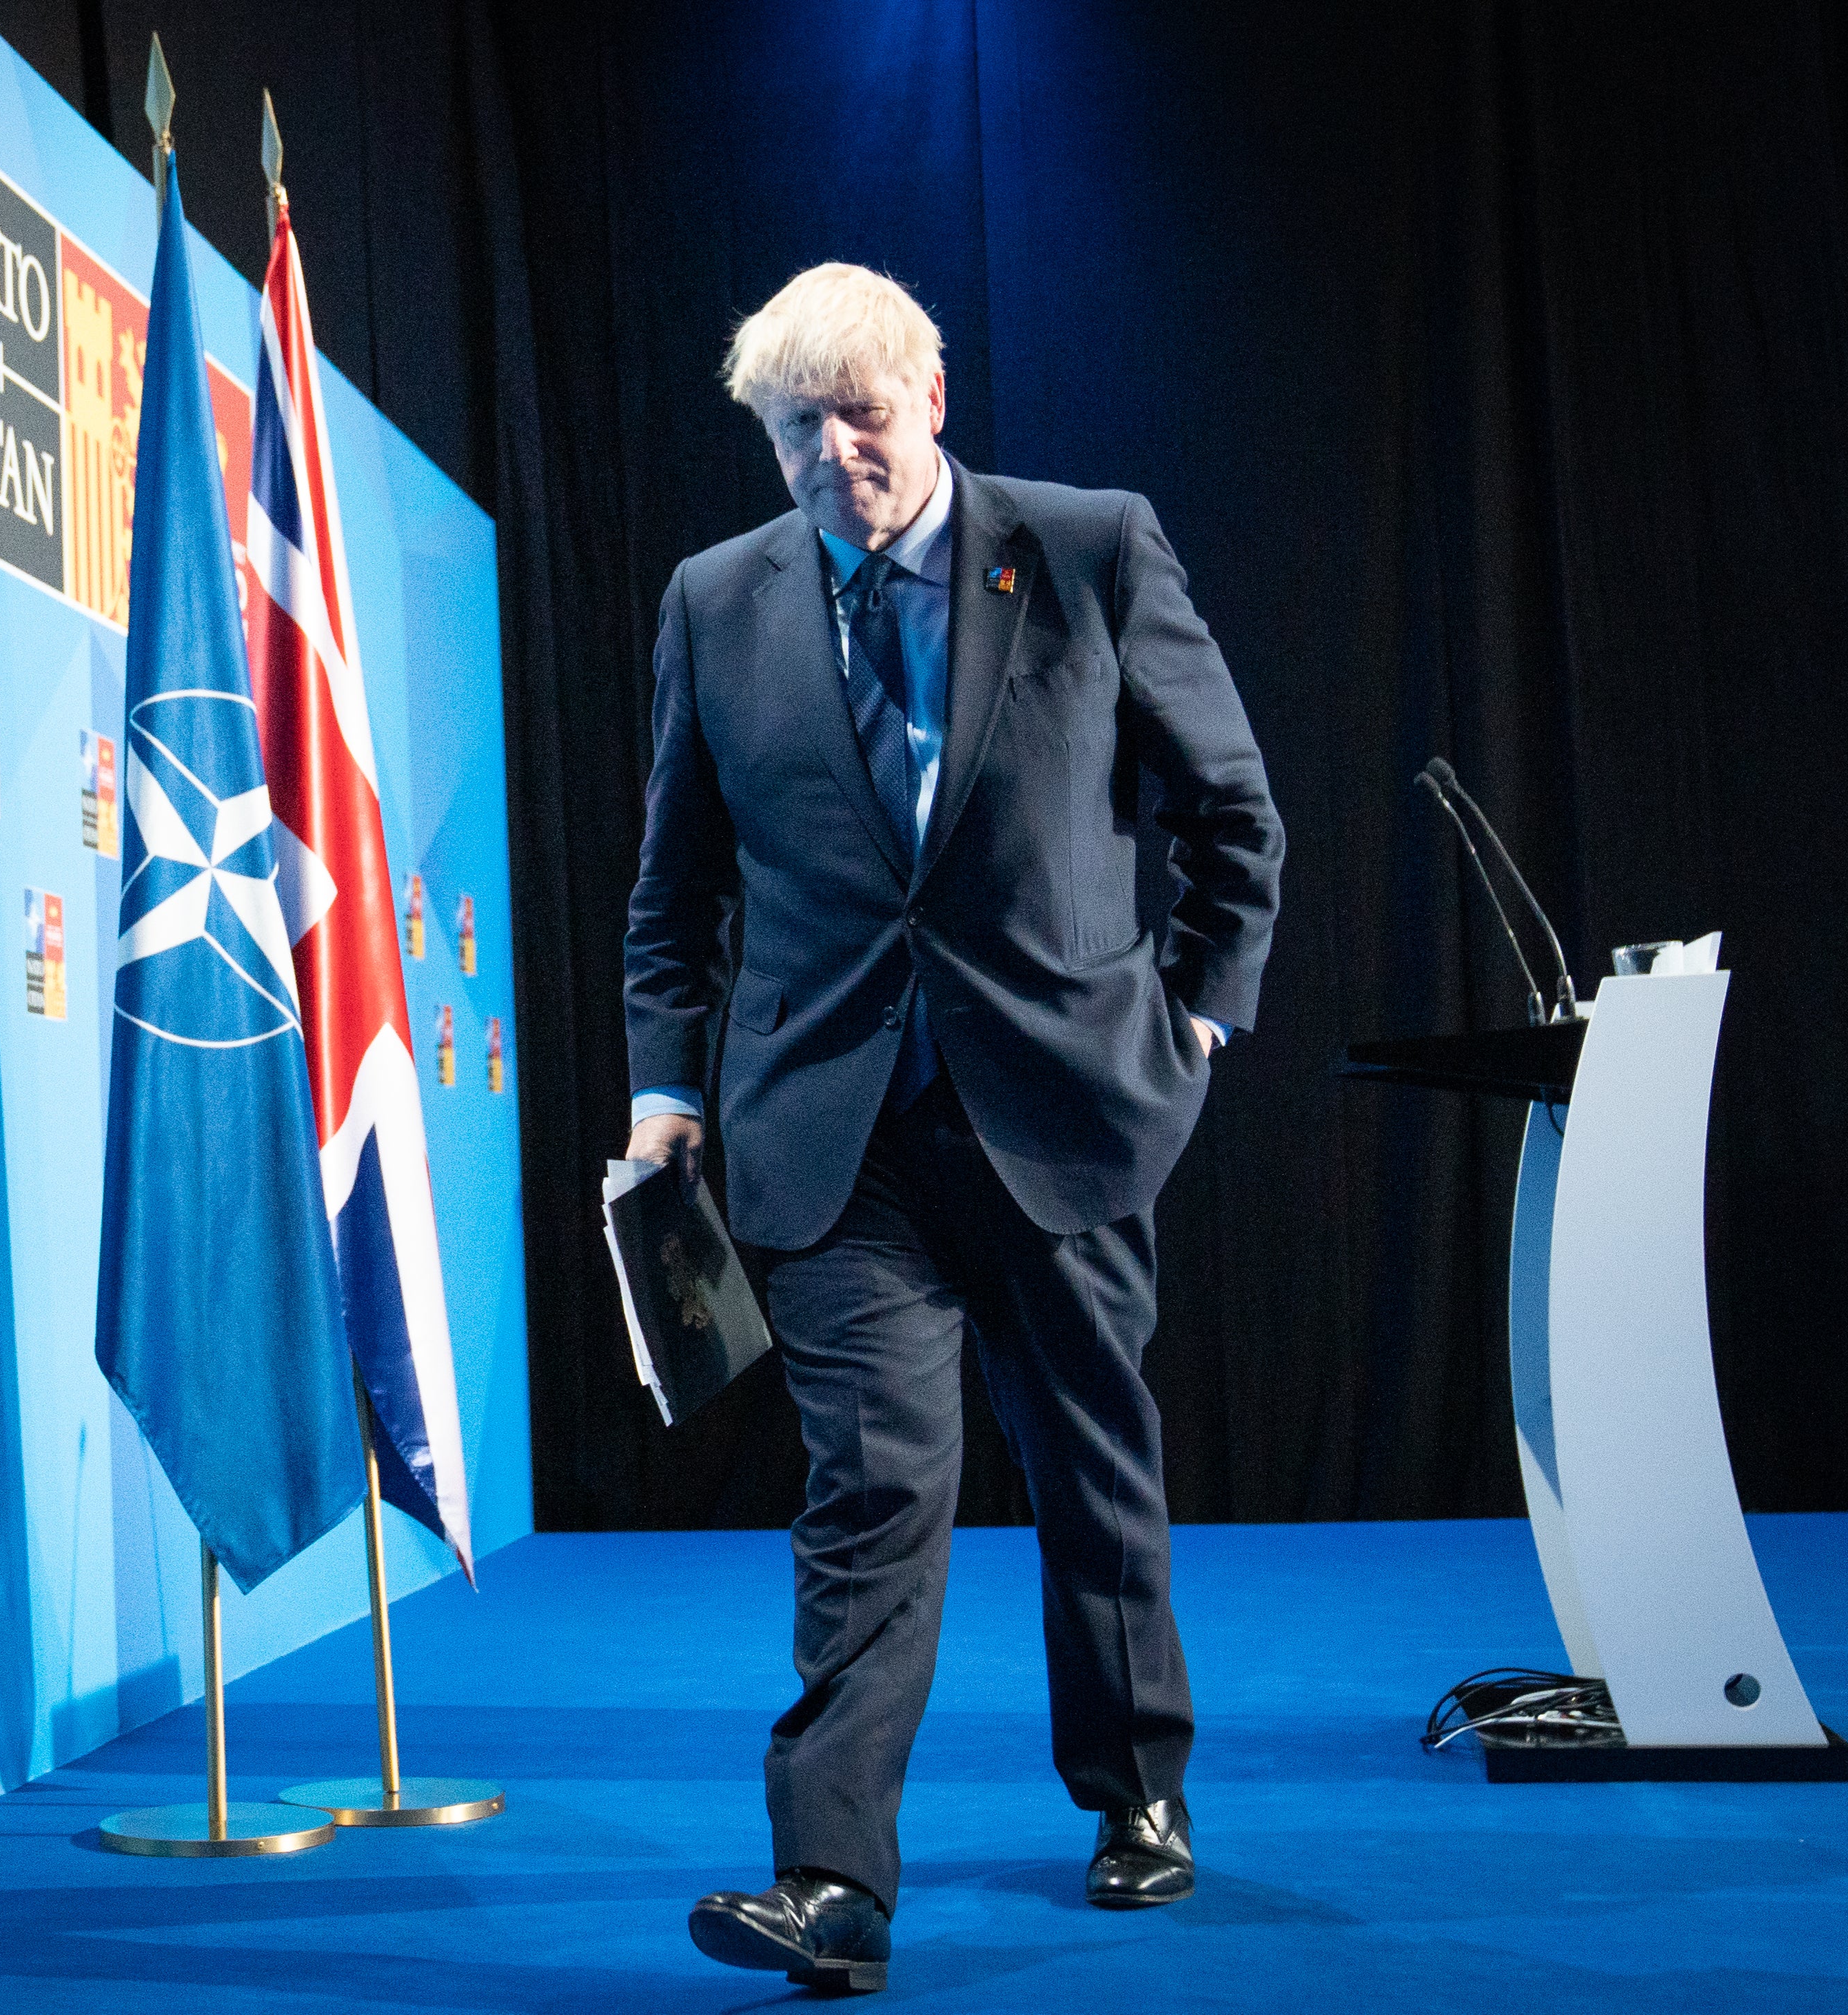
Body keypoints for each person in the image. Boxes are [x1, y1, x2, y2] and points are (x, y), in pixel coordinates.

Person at [625, 265, 1282, 1993]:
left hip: (1060, 1113)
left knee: (1090, 1469)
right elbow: (671, 891)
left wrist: (1198, 1013)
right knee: (870, 1493)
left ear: (928, 391)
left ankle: (1136, 1792)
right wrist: (665, 1090)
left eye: (860, 410)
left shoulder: (1085, 546)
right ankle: (829, 1878)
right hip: (830, 1141)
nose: (833, 451)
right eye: (794, 425)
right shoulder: (712, 603)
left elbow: (1231, 812)